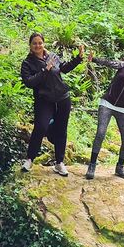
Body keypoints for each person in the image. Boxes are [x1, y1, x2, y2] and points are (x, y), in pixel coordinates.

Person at [20, 32, 85, 177]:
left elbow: (64, 68)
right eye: (34, 43)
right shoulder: (27, 63)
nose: (38, 45)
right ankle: (30, 159)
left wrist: (79, 58)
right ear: (30, 46)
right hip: (44, 100)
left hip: (62, 98)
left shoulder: (52, 56)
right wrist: (45, 70)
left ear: (44, 43)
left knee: (61, 129)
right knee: (41, 127)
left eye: (40, 43)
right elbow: (29, 82)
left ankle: (59, 163)